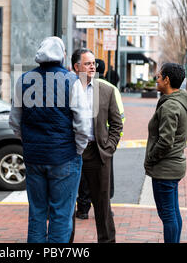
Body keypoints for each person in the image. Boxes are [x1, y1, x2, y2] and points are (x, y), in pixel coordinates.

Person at [9, 36, 90, 243]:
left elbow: (15, 121)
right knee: (61, 215)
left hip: (35, 157)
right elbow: (82, 123)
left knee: (36, 213)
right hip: (64, 157)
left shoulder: (24, 80)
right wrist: (78, 150)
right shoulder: (72, 81)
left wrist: (29, 142)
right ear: (62, 55)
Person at [71, 49, 123, 243]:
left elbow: (117, 124)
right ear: (76, 67)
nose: (93, 66)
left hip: (97, 153)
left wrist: (108, 148)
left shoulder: (106, 90)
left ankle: (107, 241)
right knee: (68, 205)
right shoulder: (67, 89)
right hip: (72, 152)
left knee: (102, 204)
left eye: (93, 63)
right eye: (87, 63)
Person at [144, 63, 187, 243]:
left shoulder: (170, 106)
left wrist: (151, 158)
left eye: (158, 76)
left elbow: (165, 141)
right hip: (173, 166)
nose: (156, 79)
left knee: (168, 215)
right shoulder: (177, 101)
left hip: (166, 168)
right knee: (172, 212)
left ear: (166, 80)